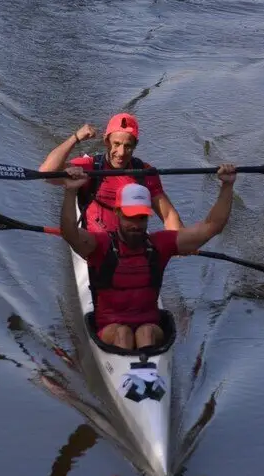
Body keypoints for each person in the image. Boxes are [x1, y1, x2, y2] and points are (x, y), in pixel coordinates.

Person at [59, 162, 237, 350]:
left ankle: (144, 363)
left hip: (151, 328)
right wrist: (71, 192)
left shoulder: (160, 244)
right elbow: (70, 233)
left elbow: (212, 227)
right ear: (117, 213)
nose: (136, 225)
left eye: (141, 218)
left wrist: (227, 186)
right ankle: (133, 363)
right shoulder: (100, 245)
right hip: (109, 328)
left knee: (146, 332)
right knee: (123, 333)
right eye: (130, 217)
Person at [40, 113, 184, 233]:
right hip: (92, 245)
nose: (121, 153)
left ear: (135, 145)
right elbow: (45, 173)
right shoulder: (90, 168)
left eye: (128, 146)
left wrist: (180, 241)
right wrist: (75, 138)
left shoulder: (144, 173)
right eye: (116, 144)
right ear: (106, 141)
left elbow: (168, 215)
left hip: (131, 241)